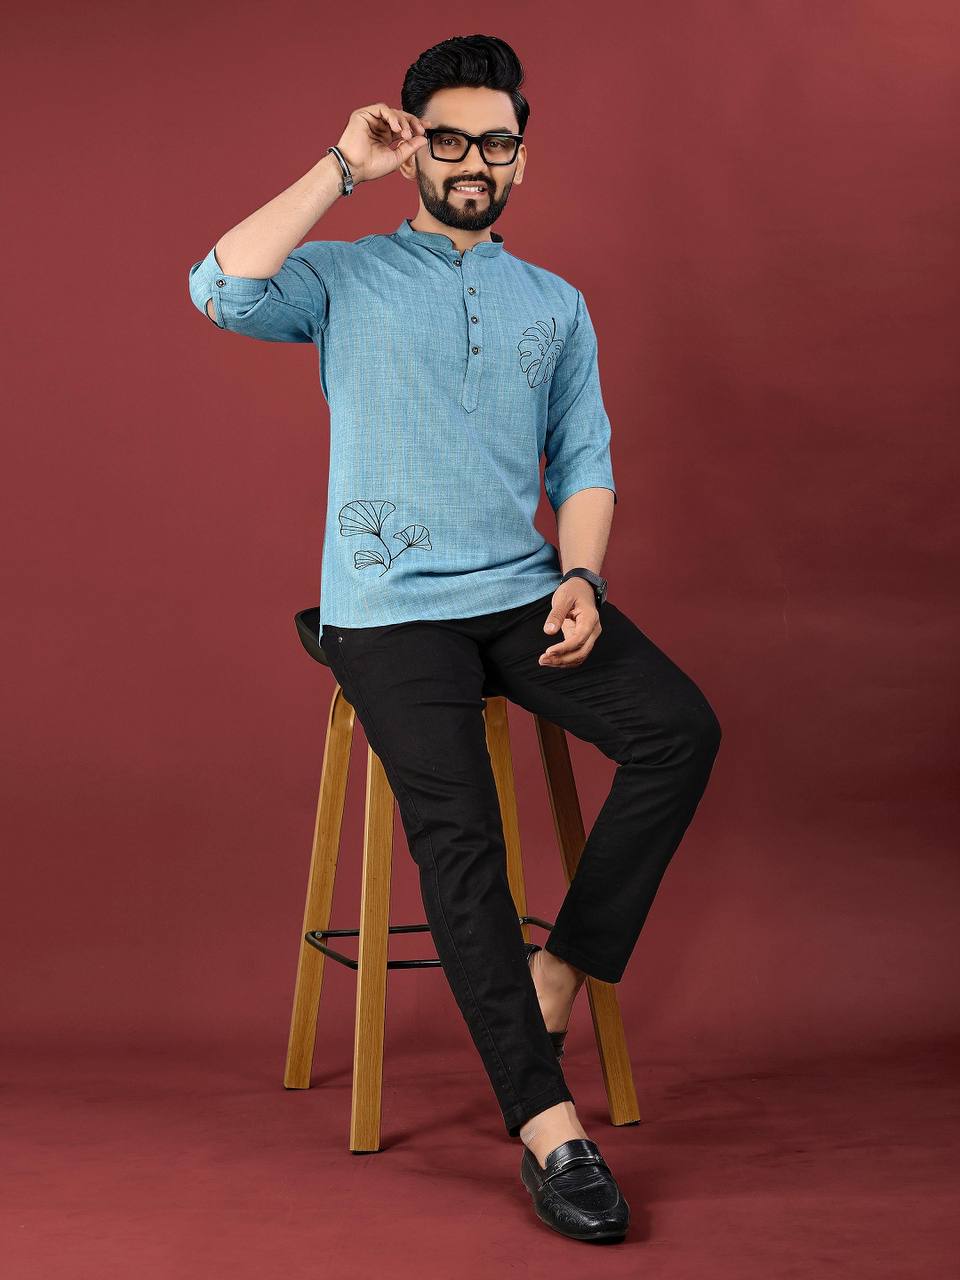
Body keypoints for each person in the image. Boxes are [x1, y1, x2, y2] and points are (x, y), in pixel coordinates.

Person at [188, 33, 721, 1245]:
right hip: (385, 611)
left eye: (495, 141)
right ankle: (547, 1127)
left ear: (520, 162)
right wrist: (339, 163)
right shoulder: (346, 277)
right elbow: (217, 287)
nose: (472, 159)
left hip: (523, 590)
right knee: (463, 838)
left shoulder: (556, 304)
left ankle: (557, 973)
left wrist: (582, 576)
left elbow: (585, 463)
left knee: (681, 730)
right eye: (447, 136)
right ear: (414, 143)